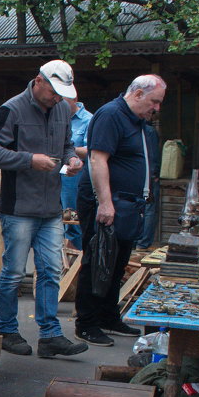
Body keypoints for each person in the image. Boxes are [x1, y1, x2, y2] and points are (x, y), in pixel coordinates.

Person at [0, 60, 88, 359]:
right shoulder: (12, 109)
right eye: (54, 92)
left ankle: (50, 335)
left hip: (52, 207)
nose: (57, 98)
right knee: (13, 272)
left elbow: (67, 145)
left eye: (61, 94)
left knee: (51, 271)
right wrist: (29, 160)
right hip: (18, 207)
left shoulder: (63, 110)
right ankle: (7, 330)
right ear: (38, 81)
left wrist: (72, 160)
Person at [74, 74, 168, 347]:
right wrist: (105, 202)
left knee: (116, 263)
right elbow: (97, 159)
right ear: (137, 94)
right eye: (154, 102)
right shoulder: (111, 114)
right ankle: (87, 322)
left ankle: (108, 316)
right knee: (97, 260)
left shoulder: (137, 121)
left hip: (128, 204)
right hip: (106, 201)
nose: (157, 108)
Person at [60, 96, 92, 250]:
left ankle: (77, 265)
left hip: (75, 180)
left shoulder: (88, 120)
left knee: (74, 223)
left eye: (62, 101)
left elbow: (91, 151)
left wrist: (67, 149)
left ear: (74, 99)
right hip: (54, 178)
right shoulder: (56, 117)